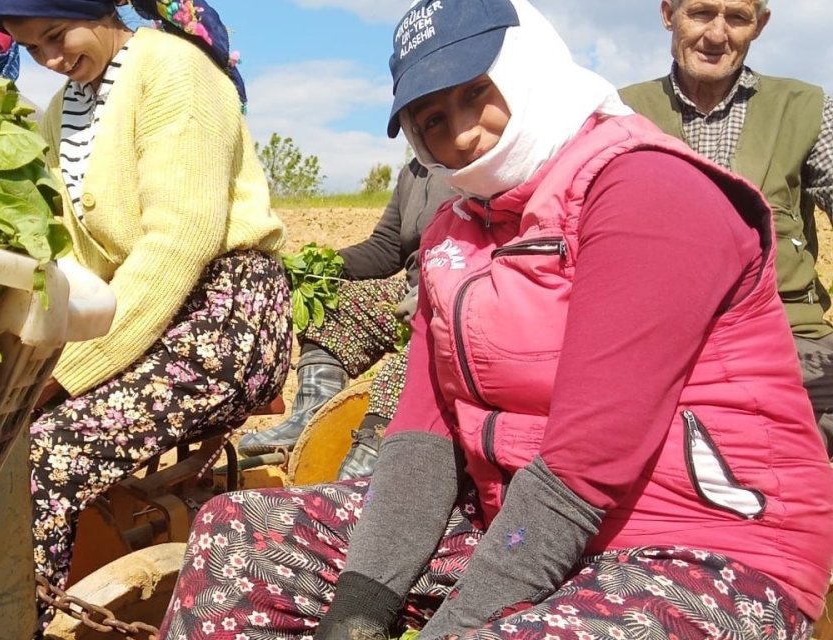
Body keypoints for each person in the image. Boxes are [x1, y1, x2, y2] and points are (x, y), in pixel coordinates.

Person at [157, 0, 833, 638]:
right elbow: (422, 432)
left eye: (475, 93)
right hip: (518, 526)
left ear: (527, 67)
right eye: (431, 121)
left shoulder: (647, 189)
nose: (462, 132)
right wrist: (359, 606)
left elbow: (586, 464)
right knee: (239, 537)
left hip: (705, 545)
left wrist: (458, 624)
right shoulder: (455, 229)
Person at [0, 0, 290, 626]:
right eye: (32, 48)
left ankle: (15, 624)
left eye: (56, 34)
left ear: (96, 9)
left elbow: (180, 240)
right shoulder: (62, 112)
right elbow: (69, 257)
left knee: (49, 454)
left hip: (225, 320)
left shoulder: (175, 70)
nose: (51, 59)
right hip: (144, 317)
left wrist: (70, 372)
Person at [619, 0, 833, 458]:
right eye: (700, 13)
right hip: (654, 345)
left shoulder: (806, 108)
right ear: (667, 14)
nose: (717, 35)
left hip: (787, 339)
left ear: (760, 26)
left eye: (737, 18)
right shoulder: (617, 113)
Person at [237, 160, 454, 480]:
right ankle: (310, 419)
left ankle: (369, 464)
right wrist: (319, 267)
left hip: (456, 296)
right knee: (333, 307)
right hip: (412, 288)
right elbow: (385, 248)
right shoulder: (414, 172)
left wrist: (432, 295)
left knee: (402, 368)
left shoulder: (474, 165)